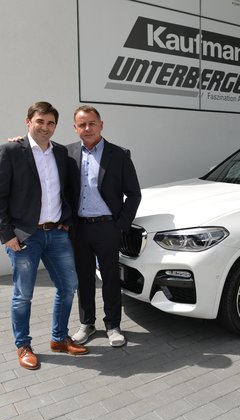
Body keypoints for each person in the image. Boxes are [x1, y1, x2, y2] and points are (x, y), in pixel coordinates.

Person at [0, 101, 89, 370]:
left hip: (56, 234)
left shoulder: (60, 153)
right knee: (23, 295)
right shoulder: (11, 150)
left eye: (50, 123)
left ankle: (58, 338)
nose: (45, 128)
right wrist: (6, 234)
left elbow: (67, 190)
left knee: (68, 287)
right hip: (24, 236)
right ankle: (23, 345)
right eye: (40, 122)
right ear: (28, 122)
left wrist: (66, 221)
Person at [67, 105, 141, 347]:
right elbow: (39, 156)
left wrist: (120, 225)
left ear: (101, 125)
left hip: (108, 228)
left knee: (110, 278)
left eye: (91, 123)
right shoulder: (66, 154)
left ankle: (113, 326)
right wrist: (17, 143)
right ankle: (87, 324)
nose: (87, 128)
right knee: (83, 279)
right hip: (79, 229)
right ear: (75, 128)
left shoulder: (119, 154)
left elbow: (134, 194)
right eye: (82, 125)